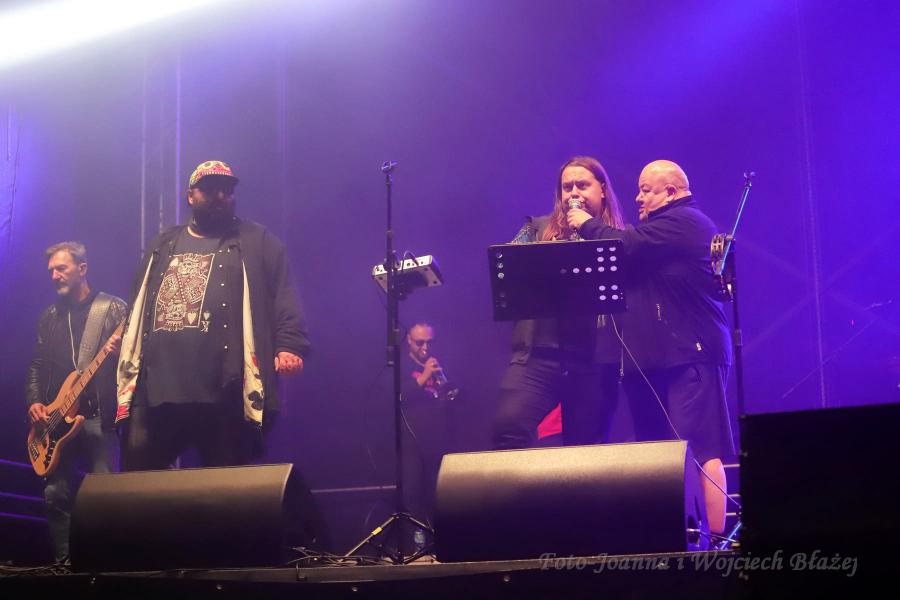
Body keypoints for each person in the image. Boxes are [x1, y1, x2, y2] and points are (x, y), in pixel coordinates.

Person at [567, 159, 735, 535]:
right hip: (661, 358)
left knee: (701, 447)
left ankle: (714, 540)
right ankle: (674, 535)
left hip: (692, 353)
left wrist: (586, 224)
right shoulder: (661, 229)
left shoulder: (684, 221)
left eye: (646, 190)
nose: (638, 197)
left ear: (670, 192)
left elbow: (626, 245)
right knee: (660, 451)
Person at [117, 160, 310, 470]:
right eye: (209, 189)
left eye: (227, 190)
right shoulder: (164, 243)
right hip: (158, 390)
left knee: (226, 486)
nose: (220, 196)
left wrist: (289, 345)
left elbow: (284, 294)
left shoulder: (257, 240)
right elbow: (140, 302)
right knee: (138, 483)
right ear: (190, 195)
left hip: (223, 390)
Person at [492, 156, 625, 450]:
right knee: (508, 427)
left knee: (585, 449)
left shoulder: (618, 237)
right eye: (567, 187)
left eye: (582, 185)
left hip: (593, 361)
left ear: (603, 190)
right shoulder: (536, 229)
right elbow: (507, 263)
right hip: (538, 356)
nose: (574, 193)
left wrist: (589, 229)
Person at [26, 241, 126, 563]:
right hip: (56, 421)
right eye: (51, 271)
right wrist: (35, 402)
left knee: (105, 494)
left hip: (99, 415)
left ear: (82, 269)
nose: (55, 276)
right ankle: (65, 564)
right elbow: (37, 364)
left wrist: (120, 354)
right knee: (55, 493)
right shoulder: (49, 317)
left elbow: (138, 361)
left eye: (62, 268)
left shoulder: (112, 309)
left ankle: (107, 566)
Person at [400, 322, 455, 528]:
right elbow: (398, 397)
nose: (425, 347)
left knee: (439, 493)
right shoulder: (401, 367)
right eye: (419, 342)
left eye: (429, 342)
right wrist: (425, 375)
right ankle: (417, 539)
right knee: (414, 494)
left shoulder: (440, 362)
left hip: (438, 439)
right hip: (412, 441)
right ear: (408, 340)